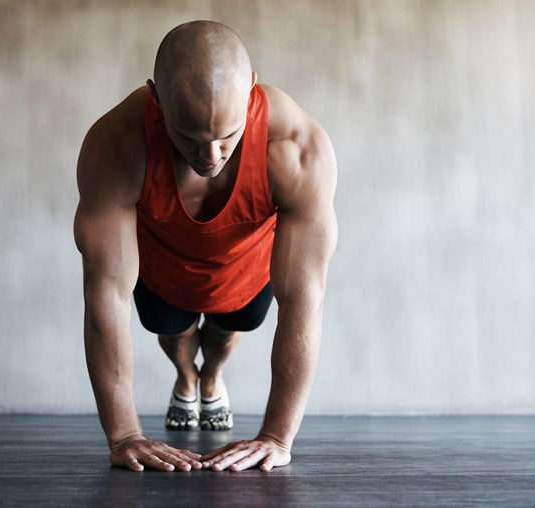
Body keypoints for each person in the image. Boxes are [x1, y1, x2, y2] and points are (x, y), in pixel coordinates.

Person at [73, 20, 337, 472]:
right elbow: (107, 294)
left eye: (228, 137)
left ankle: (210, 377)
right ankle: (187, 375)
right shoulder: (118, 146)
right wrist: (124, 436)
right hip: (162, 276)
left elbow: (303, 299)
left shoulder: (296, 148)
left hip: (248, 275)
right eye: (191, 139)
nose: (211, 156)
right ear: (156, 100)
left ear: (251, 91)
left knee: (226, 332)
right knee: (174, 333)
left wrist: (277, 436)